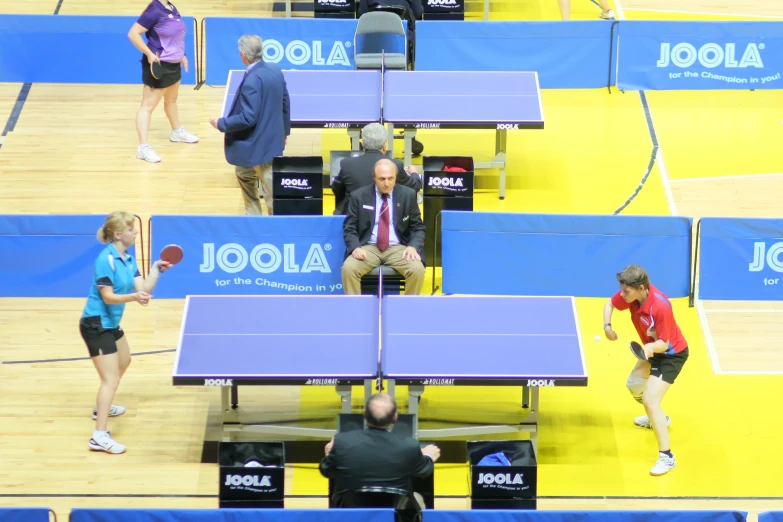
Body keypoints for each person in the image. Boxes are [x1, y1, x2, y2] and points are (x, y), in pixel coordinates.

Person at [80, 212, 172, 454]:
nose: (136, 232)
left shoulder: (128, 259)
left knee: (125, 360)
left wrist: (156, 271)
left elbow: (144, 288)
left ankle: (103, 404)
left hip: (111, 323)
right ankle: (99, 435)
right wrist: (133, 297)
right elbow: (108, 297)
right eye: (132, 229)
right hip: (96, 323)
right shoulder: (106, 259)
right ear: (119, 234)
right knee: (110, 379)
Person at [602, 265, 689, 476]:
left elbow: (664, 342)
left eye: (626, 291)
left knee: (650, 400)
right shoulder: (632, 295)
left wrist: (650, 347)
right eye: (621, 290)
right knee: (633, 385)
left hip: (670, 355)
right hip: (650, 352)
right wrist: (607, 326)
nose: (622, 295)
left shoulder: (660, 307)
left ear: (640, 288)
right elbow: (609, 304)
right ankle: (658, 418)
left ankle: (667, 457)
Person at [210, 35, 291, 216]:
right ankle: (255, 218)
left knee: (268, 190)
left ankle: (269, 221)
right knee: (245, 175)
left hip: (256, 145)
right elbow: (285, 102)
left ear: (244, 55)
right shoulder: (275, 70)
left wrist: (221, 123)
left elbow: (248, 117)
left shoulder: (252, 80)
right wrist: (284, 132)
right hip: (267, 142)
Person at [320, 393, 440, 510]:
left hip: (350, 514)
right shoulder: (409, 446)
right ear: (395, 418)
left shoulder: (342, 442)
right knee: (417, 499)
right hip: (395, 514)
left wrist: (329, 454)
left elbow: (326, 470)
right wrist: (428, 456)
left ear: (364, 414)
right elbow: (424, 471)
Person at [128, 0, 199, 164]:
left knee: (171, 100)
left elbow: (175, 35)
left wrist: (182, 54)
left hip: (174, 64)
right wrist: (149, 54)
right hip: (159, 64)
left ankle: (176, 132)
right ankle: (143, 148)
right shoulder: (153, 9)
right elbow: (133, 33)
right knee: (147, 106)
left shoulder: (171, 7)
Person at [341, 158, 425, 295]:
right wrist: (355, 247)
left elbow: (417, 227)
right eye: (382, 179)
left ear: (396, 177)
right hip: (368, 248)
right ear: (374, 177)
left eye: (390, 178)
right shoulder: (359, 196)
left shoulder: (408, 195)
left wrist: (413, 246)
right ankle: (355, 311)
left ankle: (407, 309)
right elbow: (349, 227)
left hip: (398, 248)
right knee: (349, 269)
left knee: (417, 269)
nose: (386, 183)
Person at [332, 123, 421, 215]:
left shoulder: (347, 164)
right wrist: (414, 173)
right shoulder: (395, 165)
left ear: (362, 144)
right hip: (386, 216)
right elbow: (413, 188)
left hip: (354, 217)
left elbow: (337, 189)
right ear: (384, 145)